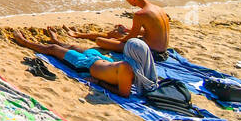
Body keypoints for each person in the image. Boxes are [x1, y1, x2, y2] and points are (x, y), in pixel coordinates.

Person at [11, 28, 158, 97]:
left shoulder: (127, 68)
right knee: (75, 46)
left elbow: (124, 94)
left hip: (85, 65)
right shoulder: (143, 66)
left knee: (53, 49)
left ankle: (23, 41)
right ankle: (57, 40)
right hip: (101, 60)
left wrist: (99, 83)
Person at [65, 0, 170, 59]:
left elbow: (131, 38)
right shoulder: (158, 9)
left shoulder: (140, 14)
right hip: (161, 49)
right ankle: (78, 34)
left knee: (100, 41)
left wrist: (116, 40)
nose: (126, 1)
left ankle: (78, 35)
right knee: (115, 34)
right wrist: (126, 30)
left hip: (151, 52)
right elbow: (153, 31)